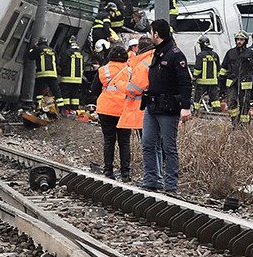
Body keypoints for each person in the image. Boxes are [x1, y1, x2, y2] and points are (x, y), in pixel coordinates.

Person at [140, 19, 192, 193]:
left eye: (151, 32)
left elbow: (185, 82)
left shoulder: (175, 54)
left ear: (156, 34)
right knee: (147, 143)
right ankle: (150, 181)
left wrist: (185, 107)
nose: (149, 36)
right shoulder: (157, 53)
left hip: (168, 108)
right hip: (152, 106)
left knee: (168, 147)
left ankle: (171, 185)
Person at [91, 46, 130, 181]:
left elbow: (94, 89)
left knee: (109, 140)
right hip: (124, 109)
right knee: (124, 141)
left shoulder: (103, 70)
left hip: (106, 109)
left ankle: (108, 171)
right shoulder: (130, 71)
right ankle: (125, 173)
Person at [219, 31, 253, 127]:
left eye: (241, 40)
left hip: (245, 82)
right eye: (237, 40)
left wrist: (250, 61)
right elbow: (224, 67)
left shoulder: (250, 53)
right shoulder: (230, 52)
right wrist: (221, 81)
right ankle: (235, 123)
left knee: (245, 103)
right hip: (232, 82)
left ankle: (245, 125)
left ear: (245, 41)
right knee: (232, 102)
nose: (239, 41)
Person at [27, 38, 63, 112]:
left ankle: (39, 107)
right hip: (52, 74)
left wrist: (33, 47)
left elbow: (30, 56)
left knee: (39, 92)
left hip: (42, 74)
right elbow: (58, 62)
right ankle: (61, 109)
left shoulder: (39, 49)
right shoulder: (52, 50)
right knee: (56, 92)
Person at [192, 36, 221, 114]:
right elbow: (219, 68)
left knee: (198, 99)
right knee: (215, 99)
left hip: (202, 82)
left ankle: (195, 112)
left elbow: (198, 69)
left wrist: (194, 77)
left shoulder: (200, 55)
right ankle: (217, 113)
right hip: (213, 82)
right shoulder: (215, 55)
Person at [58, 36, 84, 114]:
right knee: (75, 95)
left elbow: (62, 63)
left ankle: (66, 110)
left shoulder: (67, 52)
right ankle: (74, 110)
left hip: (67, 78)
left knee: (66, 94)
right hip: (78, 79)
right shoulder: (80, 53)